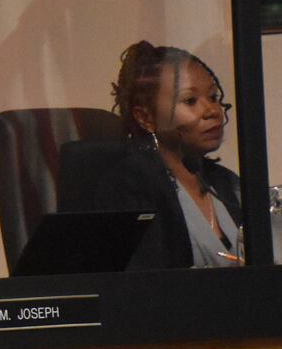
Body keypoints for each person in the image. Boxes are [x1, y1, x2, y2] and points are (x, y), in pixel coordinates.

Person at [95, 40, 242, 269]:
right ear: (146, 118)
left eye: (213, 97)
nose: (212, 111)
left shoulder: (227, 183)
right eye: (190, 101)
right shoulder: (128, 191)